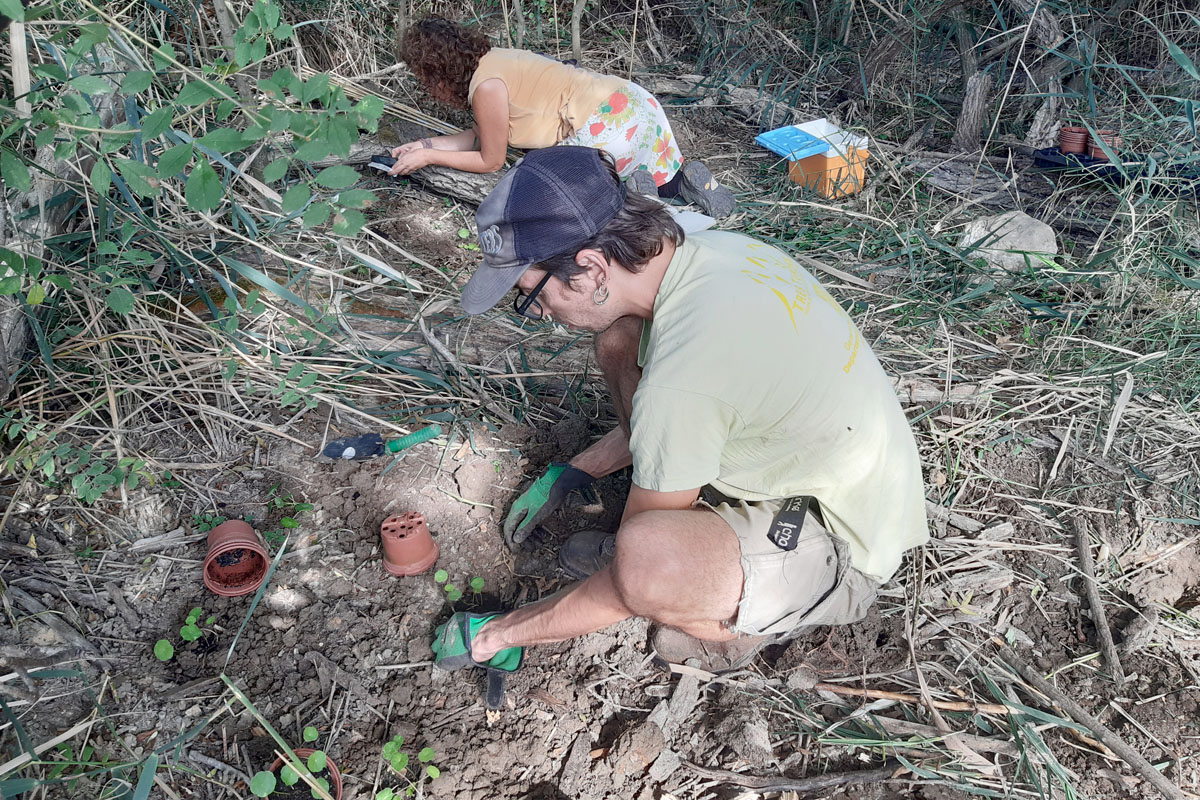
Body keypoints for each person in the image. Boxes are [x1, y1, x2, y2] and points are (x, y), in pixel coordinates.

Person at [431, 147, 928, 676]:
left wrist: (496, 633)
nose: (543, 315)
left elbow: (684, 403)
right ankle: (694, 532)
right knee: (619, 338)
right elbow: (692, 405)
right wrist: (575, 470)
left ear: (591, 268)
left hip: (843, 541)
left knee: (647, 562)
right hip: (806, 458)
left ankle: (744, 628)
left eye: (532, 295)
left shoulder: (687, 373)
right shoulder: (706, 249)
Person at [387, 15, 736, 218]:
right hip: (633, 105)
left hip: (605, 126)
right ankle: (684, 183)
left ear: (438, 72)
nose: (427, 89)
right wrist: (423, 144)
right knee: (648, 169)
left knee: (548, 194)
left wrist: (430, 158)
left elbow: (491, 159)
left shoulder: (486, 89)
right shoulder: (495, 61)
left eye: (424, 79)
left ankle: (630, 200)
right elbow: (479, 135)